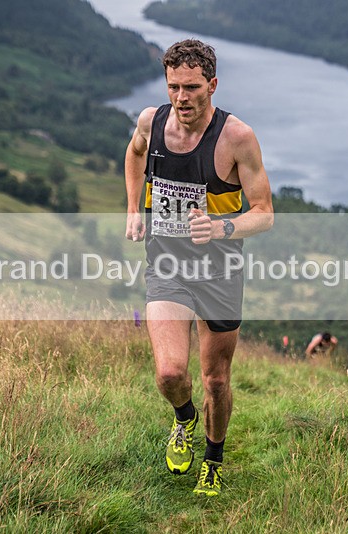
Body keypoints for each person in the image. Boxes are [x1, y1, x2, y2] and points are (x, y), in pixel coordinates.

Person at [124, 39, 273, 496]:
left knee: (215, 379)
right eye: (173, 87)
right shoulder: (152, 121)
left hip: (220, 273)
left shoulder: (237, 138)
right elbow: (133, 155)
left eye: (191, 88)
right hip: (166, 264)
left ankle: (213, 457)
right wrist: (133, 208)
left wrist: (222, 230)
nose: (181, 98)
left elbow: (264, 212)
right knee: (170, 373)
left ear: (212, 84)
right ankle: (184, 418)